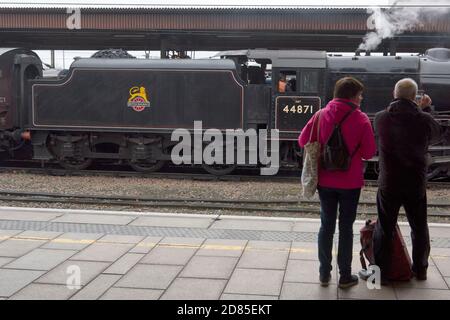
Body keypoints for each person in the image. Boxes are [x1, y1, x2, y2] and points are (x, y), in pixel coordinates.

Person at [298, 77, 377, 288]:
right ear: (352, 96)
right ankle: (344, 276)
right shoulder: (361, 119)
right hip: (350, 183)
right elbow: (369, 153)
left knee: (326, 226)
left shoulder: (320, 114)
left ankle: (324, 273)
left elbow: (303, 140)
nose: (361, 98)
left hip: (325, 180)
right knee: (345, 228)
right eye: (360, 95)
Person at [373, 78, 446, 282]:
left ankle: (380, 275)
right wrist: (425, 110)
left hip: (389, 181)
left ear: (394, 94)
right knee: (419, 227)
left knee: (384, 228)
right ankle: (420, 269)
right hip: (415, 181)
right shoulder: (423, 119)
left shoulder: (381, 118)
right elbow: (437, 135)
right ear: (415, 97)